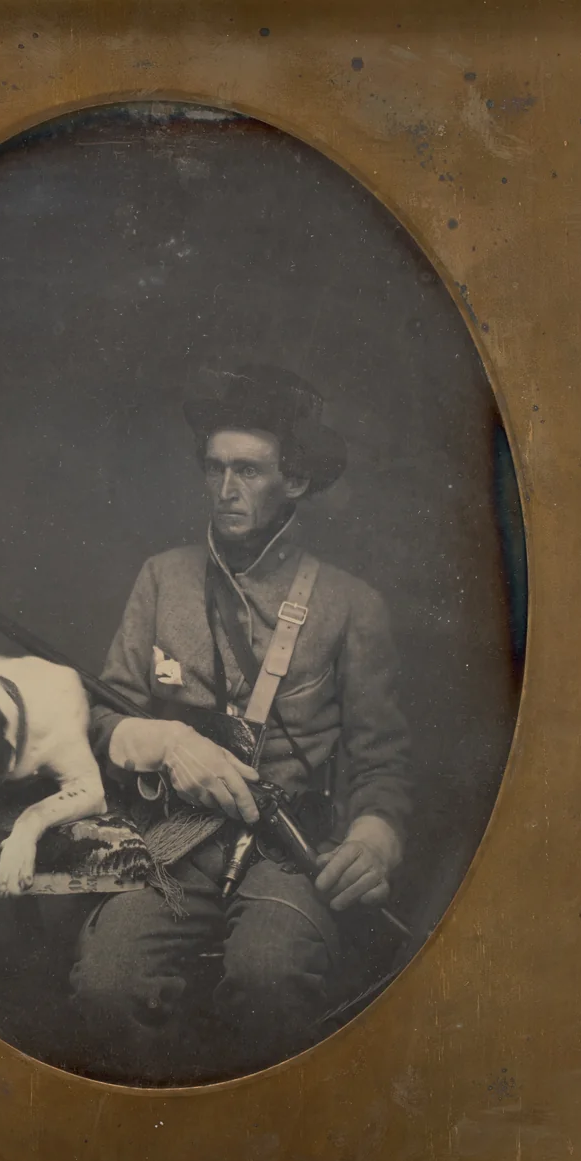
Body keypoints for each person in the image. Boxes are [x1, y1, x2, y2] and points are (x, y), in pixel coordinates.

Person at [69, 364, 411, 1082]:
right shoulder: (162, 579)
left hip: (291, 851)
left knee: (268, 979)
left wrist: (375, 838)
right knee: (106, 983)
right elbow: (103, 715)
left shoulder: (352, 606)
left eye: (250, 472)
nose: (226, 489)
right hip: (173, 843)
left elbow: (380, 761)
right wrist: (162, 742)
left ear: (297, 481)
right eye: (216, 468)